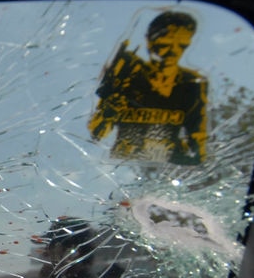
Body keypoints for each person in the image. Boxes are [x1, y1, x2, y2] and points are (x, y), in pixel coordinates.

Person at [88, 10, 207, 165]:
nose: (173, 51)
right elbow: (98, 134)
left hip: (170, 170)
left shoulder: (192, 83)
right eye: (165, 43)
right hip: (123, 170)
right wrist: (109, 113)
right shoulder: (126, 75)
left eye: (182, 44)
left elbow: (197, 133)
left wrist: (197, 163)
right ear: (149, 41)